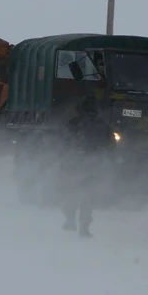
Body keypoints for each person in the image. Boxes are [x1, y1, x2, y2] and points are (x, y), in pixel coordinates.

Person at [58, 95, 116, 238]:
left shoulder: (73, 123)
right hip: (94, 165)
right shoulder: (103, 124)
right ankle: (84, 227)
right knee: (88, 196)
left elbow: (65, 142)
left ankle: (70, 220)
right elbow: (111, 144)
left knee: (72, 192)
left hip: (74, 163)